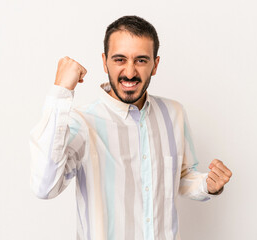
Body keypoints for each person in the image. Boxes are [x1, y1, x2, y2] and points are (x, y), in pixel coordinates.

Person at [29, 15, 232, 240]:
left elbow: (181, 176)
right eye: (119, 59)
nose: (129, 72)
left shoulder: (174, 113)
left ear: (155, 65)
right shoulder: (82, 122)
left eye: (141, 60)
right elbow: (44, 186)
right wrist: (61, 92)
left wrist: (207, 184)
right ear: (105, 61)